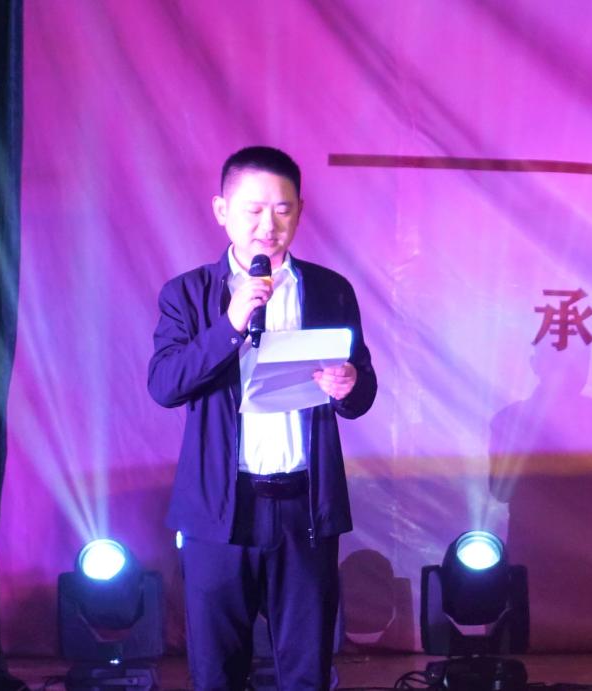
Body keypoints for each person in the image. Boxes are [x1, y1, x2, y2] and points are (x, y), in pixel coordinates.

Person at [148, 146, 377, 690]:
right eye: (252, 210)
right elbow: (165, 384)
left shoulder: (330, 290)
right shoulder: (189, 294)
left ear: (300, 212)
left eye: (282, 210)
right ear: (221, 211)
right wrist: (230, 324)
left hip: (305, 508)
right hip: (220, 511)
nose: (267, 226)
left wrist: (349, 385)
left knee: (306, 670)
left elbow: (363, 388)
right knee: (217, 671)